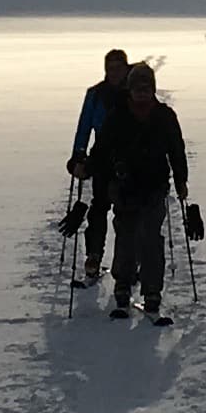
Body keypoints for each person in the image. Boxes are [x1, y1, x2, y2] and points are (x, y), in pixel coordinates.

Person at [89, 58, 189, 323]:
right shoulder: (118, 115)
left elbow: (176, 151)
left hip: (155, 186)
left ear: (153, 90)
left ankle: (152, 293)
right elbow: (102, 150)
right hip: (124, 187)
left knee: (151, 240)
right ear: (130, 90)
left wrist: (181, 179)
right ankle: (123, 289)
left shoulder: (165, 116)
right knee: (126, 237)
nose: (142, 94)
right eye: (138, 89)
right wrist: (87, 167)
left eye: (147, 89)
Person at [65, 44, 130, 282]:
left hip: (130, 160)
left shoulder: (135, 93)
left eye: (118, 68)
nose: (114, 72)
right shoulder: (95, 94)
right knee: (99, 208)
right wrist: (78, 157)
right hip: (102, 159)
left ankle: (125, 263)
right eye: (110, 68)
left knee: (126, 212)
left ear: (125, 68)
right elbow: (83, 128)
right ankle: (94, 256)